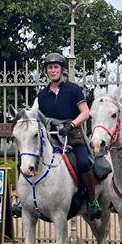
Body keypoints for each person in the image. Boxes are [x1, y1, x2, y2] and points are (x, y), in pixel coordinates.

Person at [34, 51, 101, 220]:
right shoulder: (42, 95)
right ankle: (25, 200)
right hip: (49, 136)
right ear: (46, 71)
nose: (53, 70)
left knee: (83, 162)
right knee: (30, 158)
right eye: (50, 68)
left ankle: (91, 200)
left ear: (62, 70)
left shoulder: (73, 89)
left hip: (72, 134)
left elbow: (85, 112)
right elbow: (38, 117)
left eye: (56, 67)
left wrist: (71, 125)